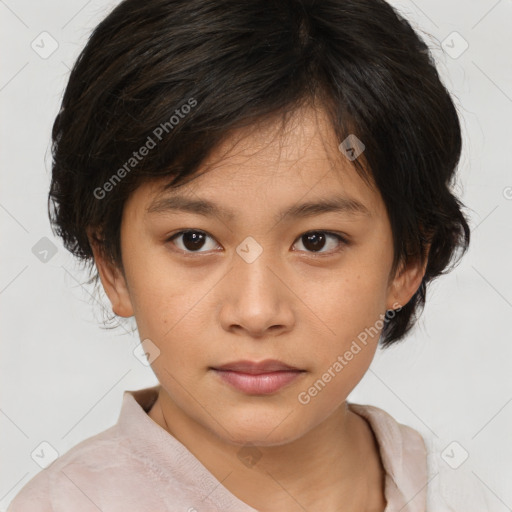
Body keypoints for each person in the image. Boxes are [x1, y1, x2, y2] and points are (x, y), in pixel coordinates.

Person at [8, 0, 490, 510]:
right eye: (193, 240)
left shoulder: (453, 492)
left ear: (408, 261)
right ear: (112, 266)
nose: (257, 312)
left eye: (316, 240)